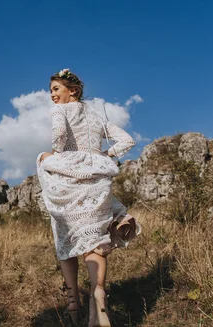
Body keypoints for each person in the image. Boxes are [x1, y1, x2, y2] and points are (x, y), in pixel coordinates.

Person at [37, 69, 140, 327]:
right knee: (95, 243)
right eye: (51, 91)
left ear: (73, 90)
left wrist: (55, 157)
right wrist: (106, 156)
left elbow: (59, 135)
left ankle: (73, 306)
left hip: (69, 181)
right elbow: (127, 141)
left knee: (66, 239)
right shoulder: (96, 117)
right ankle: (98, 295)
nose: (52, 96)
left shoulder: (60, 111)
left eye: (56, 89)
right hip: (96, 181)